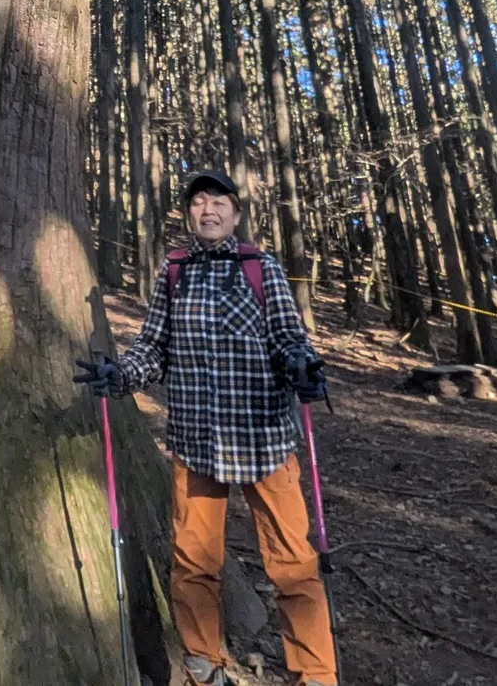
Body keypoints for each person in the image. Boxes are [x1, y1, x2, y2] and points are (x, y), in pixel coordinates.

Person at [77, 167, 336, 686]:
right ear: (189, 215)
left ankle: (315, 675)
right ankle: (203, 667)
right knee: (194, 563)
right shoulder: (174, 272)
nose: (208, 209)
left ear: (236, 215)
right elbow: (153, 348)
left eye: (219, 202)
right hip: (196, 444)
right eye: (198, 203)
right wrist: (120, 374)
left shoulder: (262, 269)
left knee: (294, 565)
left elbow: (289, 339)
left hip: (265, 442)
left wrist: (304, 371)